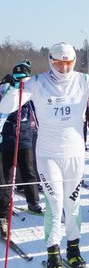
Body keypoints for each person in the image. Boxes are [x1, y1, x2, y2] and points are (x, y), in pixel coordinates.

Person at [0, 43, 89, 268]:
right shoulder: (38, 82)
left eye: (68, 63)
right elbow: (6, 107)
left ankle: (73, 250)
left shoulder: (84, 80)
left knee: (72, 207)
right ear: (50, 61)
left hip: (74, 155)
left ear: (74, 61)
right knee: (54, 206)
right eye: (58, 63)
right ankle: (53, 255)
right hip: (48, 155)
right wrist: (15, 85)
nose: (63, 68)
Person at [0, 61, 42, 214]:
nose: (21, 80)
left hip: (24, 137)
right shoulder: (6, 88)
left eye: (24, 77)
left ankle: (33, 201)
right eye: (18, 77)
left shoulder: (30, 91)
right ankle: (4, 208)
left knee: (28, 170)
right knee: (6, 175)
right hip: (7, 137)